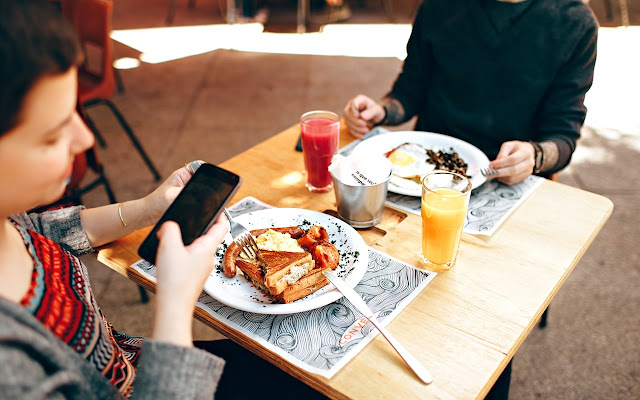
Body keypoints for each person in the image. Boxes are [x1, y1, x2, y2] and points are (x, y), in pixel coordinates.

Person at [0, 2, 326, 399]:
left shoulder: (7, 220)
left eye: (74, 112)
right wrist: (174, 303)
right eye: (51, 135)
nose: (85, 140)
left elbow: (41, 231)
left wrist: (147, 208)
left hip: (131, 359)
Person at [343, 0, 598, 186]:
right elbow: (409, 92)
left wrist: (535, 155)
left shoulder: (575, 23)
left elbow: (563, 137)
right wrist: (382, 110)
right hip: (424, 170)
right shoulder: (438, 6)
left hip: (506, 179)